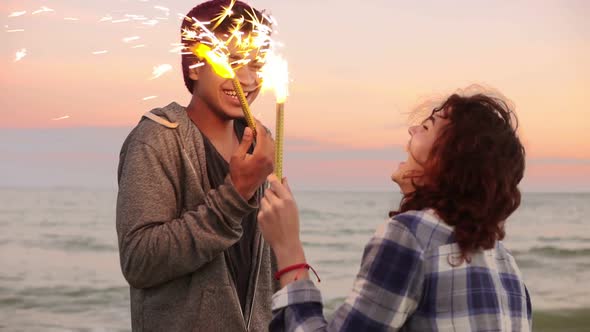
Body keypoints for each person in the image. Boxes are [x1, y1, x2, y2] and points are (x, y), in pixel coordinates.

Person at [258, 92, 533, 331]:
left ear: (448, 157)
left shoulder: (410, 236)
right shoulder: (505, 263)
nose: (412, 130)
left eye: (426, 127)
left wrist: (288, 248)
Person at [116, 1, 279, 331]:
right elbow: (139, 261)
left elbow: (266, 259)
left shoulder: (260, 141)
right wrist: (237, 193)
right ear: (194, 67)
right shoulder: (158, 138)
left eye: (256, 65)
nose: (247, 79)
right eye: (231, 61)